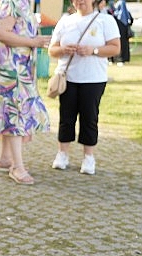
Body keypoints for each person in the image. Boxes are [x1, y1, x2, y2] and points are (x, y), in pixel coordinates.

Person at [48, 0, 120, 175]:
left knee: (89, 117)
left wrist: (93, 50)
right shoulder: (65, 21)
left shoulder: (105, 20)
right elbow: (52, 49)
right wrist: (64, 49)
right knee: (66, 116)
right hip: (68, 77)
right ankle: (62, 153)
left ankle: (89, 157)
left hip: (93, 78)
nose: (80, 1)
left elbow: (115, 48)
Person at [0, 0, 51, 185]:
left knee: (9, 109)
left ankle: (5, 158)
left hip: (17, 67)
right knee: (17, 112)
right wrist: (34, 41)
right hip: (12, 69)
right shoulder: (12, 2)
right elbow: (1, 33)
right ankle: (17, 167)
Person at [112, 0, 133, 65]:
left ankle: (120, 59)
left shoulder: (116, 14)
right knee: (123, 46)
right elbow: (131, 20)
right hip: (125, 34)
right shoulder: (127, 13)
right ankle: (123, 58)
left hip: (119, 34)